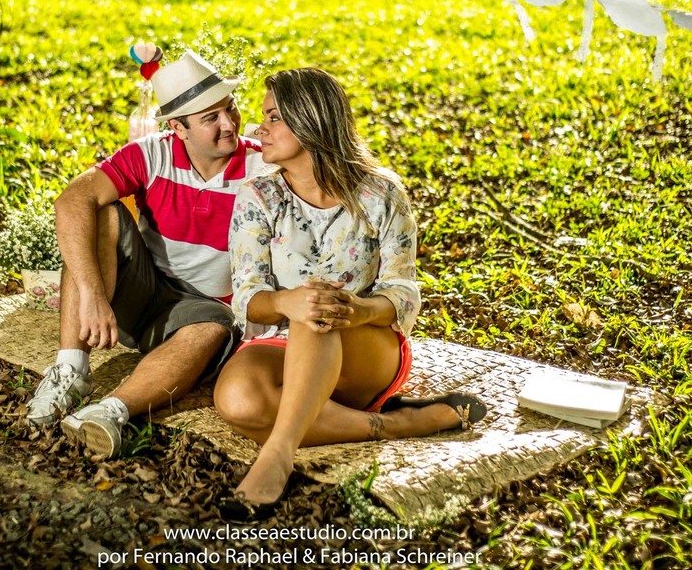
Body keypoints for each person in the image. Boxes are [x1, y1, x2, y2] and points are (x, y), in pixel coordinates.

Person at [212, 68, 487, 522]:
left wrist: (356, 310)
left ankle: (277, 454)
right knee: (237, 399)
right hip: (282, 343)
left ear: (311, 120)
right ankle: (394, 424)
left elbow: (402, 292)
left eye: (274, 117)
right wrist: (284, 302)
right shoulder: (258, 196)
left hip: (365, 344)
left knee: (318, 312)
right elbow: (247, 297)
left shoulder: (381, 194)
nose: (259, 129)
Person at [25, 50, 265, 459]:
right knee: (100, 212)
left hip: (204, 309)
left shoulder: (262, 167)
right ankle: (70, 370)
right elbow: (71, 200)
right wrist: (92, 294)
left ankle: (109, 412)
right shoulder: (151, 153)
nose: (229, 124)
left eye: (230, 108)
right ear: (178, 128)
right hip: (141, 288)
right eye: (211, 117)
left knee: (214, 327)